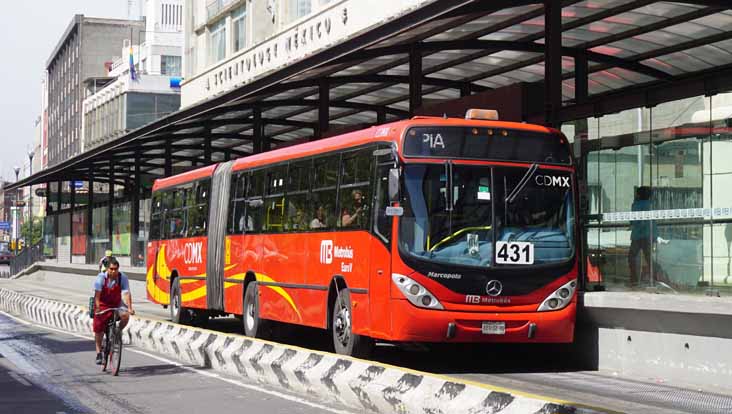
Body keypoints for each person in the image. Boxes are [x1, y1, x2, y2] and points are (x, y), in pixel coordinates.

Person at [93, 257, 135, 364]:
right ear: (107, 269)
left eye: (115, 269)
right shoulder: (101, 278)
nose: (113, 271)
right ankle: (98, 352)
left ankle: (117, 332)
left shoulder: (123, 278)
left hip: (116, 303)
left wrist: (129, 308)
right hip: (102, 304)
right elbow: (97, 296)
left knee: (125, 316)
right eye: (111, 269)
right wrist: (97, 308)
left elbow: (126, 294)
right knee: (98, 328)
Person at [628, 186, 654, 287]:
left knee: (631, 257)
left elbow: (633, 221)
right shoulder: (650, 204)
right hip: (647, 235)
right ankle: (653, 278)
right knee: (649, 258)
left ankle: (634, 279)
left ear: (639, 194)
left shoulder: (636, 205)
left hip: (637, 236)